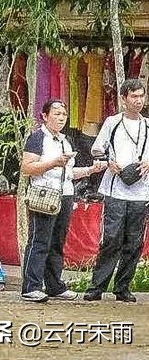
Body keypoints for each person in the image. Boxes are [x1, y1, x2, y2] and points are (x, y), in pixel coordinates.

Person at [20, 99, 105, 302]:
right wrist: (53, 163)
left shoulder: (65, 140)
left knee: (57, 241)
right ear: (44, 116)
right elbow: (27, 168)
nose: (61, 118)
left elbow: (67, 173)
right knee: (39, 240)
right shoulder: (37, 138)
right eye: (56, 113)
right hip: (44, 194)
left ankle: (54, 285)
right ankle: (31, 286)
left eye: (63, 114)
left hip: (65, 194)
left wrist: (90, 170)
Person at [84, 79, 148, 302]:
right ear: (123, 98)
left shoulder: (148, 125)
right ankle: (97, 286)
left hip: (141, 192)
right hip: (115, 189)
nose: (139, 100)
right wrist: (110, 162)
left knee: (134, 241)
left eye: (141, 96)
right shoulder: (113, 122)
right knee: (111, 238)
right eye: (134, 96)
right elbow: (96, 149)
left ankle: (123, 287)